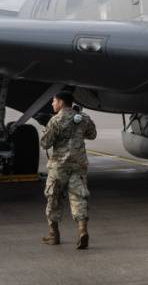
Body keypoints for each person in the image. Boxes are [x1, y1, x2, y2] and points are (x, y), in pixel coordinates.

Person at [39, 90, 96, 249]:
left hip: (59, 167)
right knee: (79, 197)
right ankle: (82, 230)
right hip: (78, 165)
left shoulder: (55, 120)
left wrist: (46, 126)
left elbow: (45, 144)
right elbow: (92, 134)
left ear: (61, 102)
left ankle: (53, 235)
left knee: (54, 198)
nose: (52, 104)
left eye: (54, 101)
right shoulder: (83, 118)